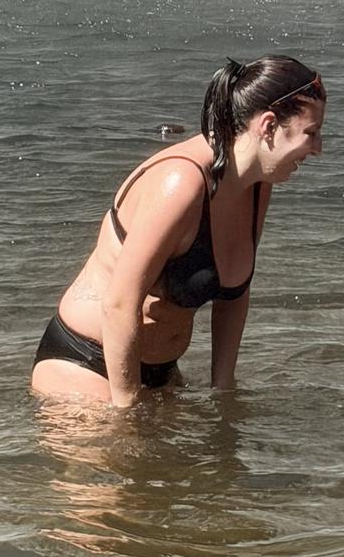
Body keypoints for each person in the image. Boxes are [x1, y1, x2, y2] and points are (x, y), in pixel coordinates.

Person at [32, 55, 325, 408]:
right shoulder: (180, 183)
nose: (318, 149)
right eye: (311, 133)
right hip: (86, 363)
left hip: (162, 374)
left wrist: (223, 391)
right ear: (268, 126)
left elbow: (234, 295)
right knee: (121, 446)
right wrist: (126, 412)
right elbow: (120, 302)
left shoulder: (257, 184)